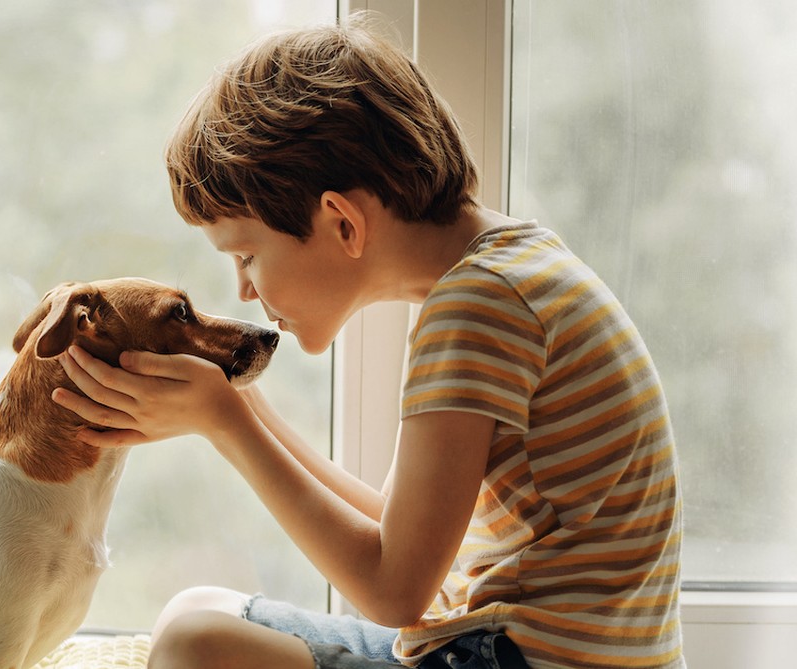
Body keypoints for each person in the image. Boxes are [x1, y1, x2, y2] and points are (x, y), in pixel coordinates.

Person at [50, 13, 684, 669]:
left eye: (246, 256)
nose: (242, 290)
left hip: (521, 659)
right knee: (193, 609)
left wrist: (229, 425)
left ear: (342, 223)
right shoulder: (505, 271)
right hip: (502, 644)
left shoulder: (476, 309)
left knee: (193, 645)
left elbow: (396, 588)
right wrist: (242, 408)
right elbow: (402, 531)